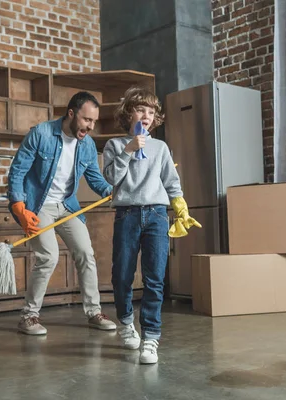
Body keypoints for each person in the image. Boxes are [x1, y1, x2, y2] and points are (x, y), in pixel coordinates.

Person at [102, 87, 201, 364]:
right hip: (127, 216)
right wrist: (129, 150)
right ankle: (125, 322)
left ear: (155, 118)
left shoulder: (160, 148)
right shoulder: (114, 145)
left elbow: (171, 180)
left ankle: (151, 338)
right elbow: (112, 178)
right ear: (128, 113)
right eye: (140, 109)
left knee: (155, 279)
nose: (146, 115)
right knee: (122, 275)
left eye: (151, 111)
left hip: (157, 215)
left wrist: (179, 205)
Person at [8, 91, 117, 335]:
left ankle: (94, 312)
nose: (90, 127)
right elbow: (17, 171)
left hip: (67, 206)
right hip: (39, 206)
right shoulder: (41, 134)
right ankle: (29, 316)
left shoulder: (87, 144)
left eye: (94, 122)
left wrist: (112, 191)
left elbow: (95, 179)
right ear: (71, 113)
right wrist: (19, 207)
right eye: (87, 120)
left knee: (85, 254)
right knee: (49, 256)